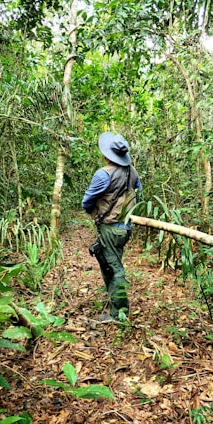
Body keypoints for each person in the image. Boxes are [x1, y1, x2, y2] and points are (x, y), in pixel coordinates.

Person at [82, 132, 142, 322]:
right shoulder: (133, 172)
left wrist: (98, 213)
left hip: (110, 228)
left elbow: (86, 202)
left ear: (107, 155)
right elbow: (138, 196)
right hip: (125, 228)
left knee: (114, 268)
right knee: (110, 263)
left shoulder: (103, 174)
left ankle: (119, 313)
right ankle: (115, 299)